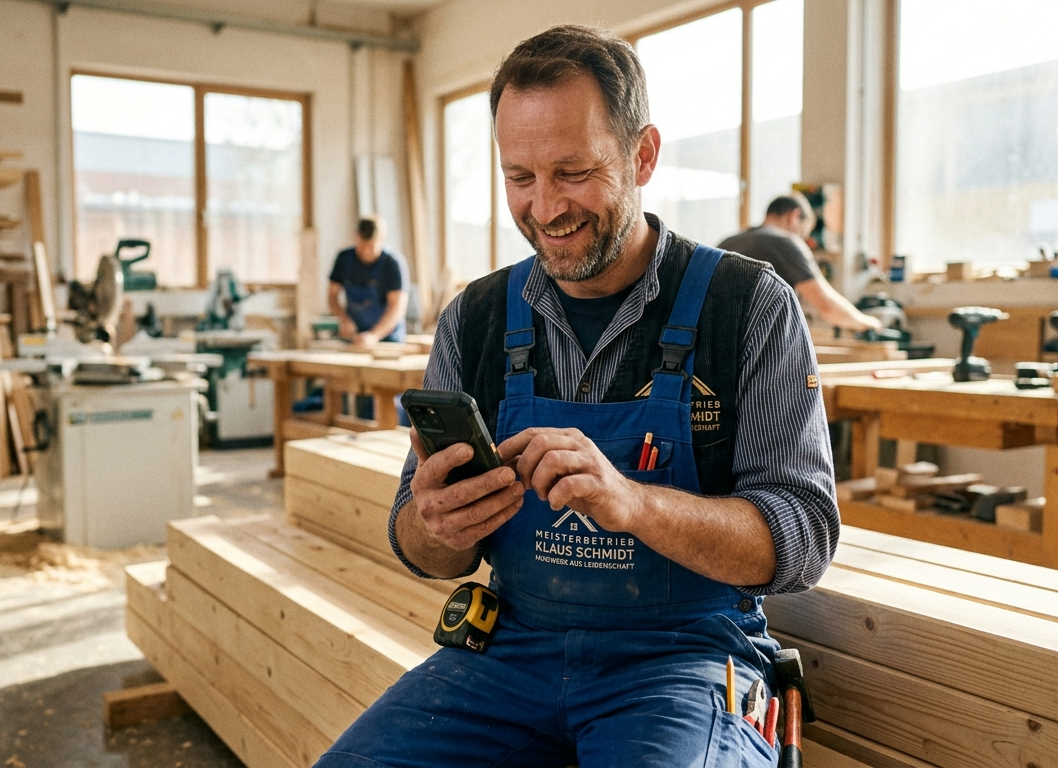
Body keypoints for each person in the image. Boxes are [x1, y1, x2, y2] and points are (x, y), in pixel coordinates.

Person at [316, 25, 838, 768]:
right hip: (508, 651)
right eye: (519, 178)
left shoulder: (748, 306)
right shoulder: (476, 319)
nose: (545, 207)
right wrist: (437, 525)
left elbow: (804, 537)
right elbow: (421, 547)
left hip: (681, 661)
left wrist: (633, 502)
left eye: (572, 171)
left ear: (643, 154)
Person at [718, 195, 883, 332]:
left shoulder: (727, 243)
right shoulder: (785, 242)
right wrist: (866, 323)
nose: (803, 239)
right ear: (794, 216)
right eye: (804, 231)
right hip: (758, 346)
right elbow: (827, 305)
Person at [327, 215, 410, 345]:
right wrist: (344, 320)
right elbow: (332, 297)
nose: (365, 252)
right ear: (356, 237)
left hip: (387, 340)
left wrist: (374, 336)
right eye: (362, 245)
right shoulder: (344, 259)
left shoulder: (392, 264)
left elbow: (397, 307)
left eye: (371, 247)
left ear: (382, 241)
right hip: (354, 338)